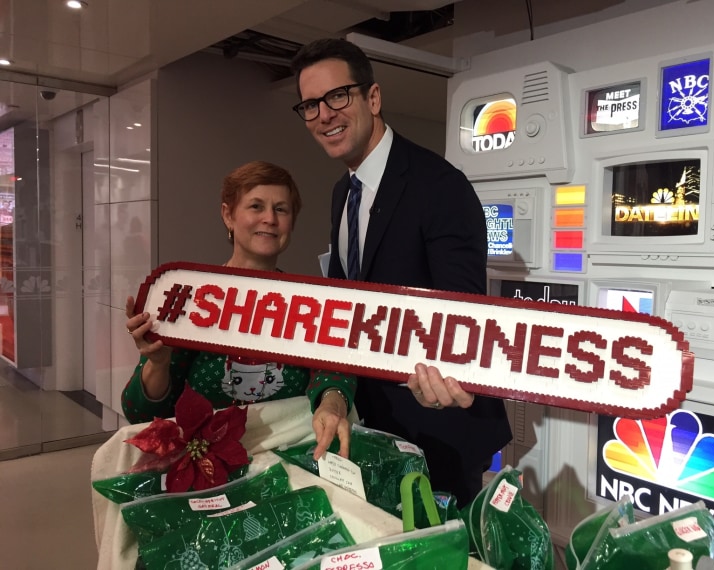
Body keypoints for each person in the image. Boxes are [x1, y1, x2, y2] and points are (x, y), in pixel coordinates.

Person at [290, 38, 512, 505]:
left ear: (372, 98)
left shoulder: (440, 186)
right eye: (310, 105)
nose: (324, 114)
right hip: (377, 423)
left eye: (337, 96)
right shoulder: (342, 193)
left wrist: (456, 375)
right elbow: (349, 302)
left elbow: (463, 318)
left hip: (441, 426)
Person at [122, 160, 355, 459]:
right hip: (208, 468)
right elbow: (139, 413)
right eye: (256, 206)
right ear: (228, 215)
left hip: (290, 463)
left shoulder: (307, 303)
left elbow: (332, 369)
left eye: (281, 209)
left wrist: (332, 401)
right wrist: (158, 363)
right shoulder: (192, 300)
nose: (270, 218)